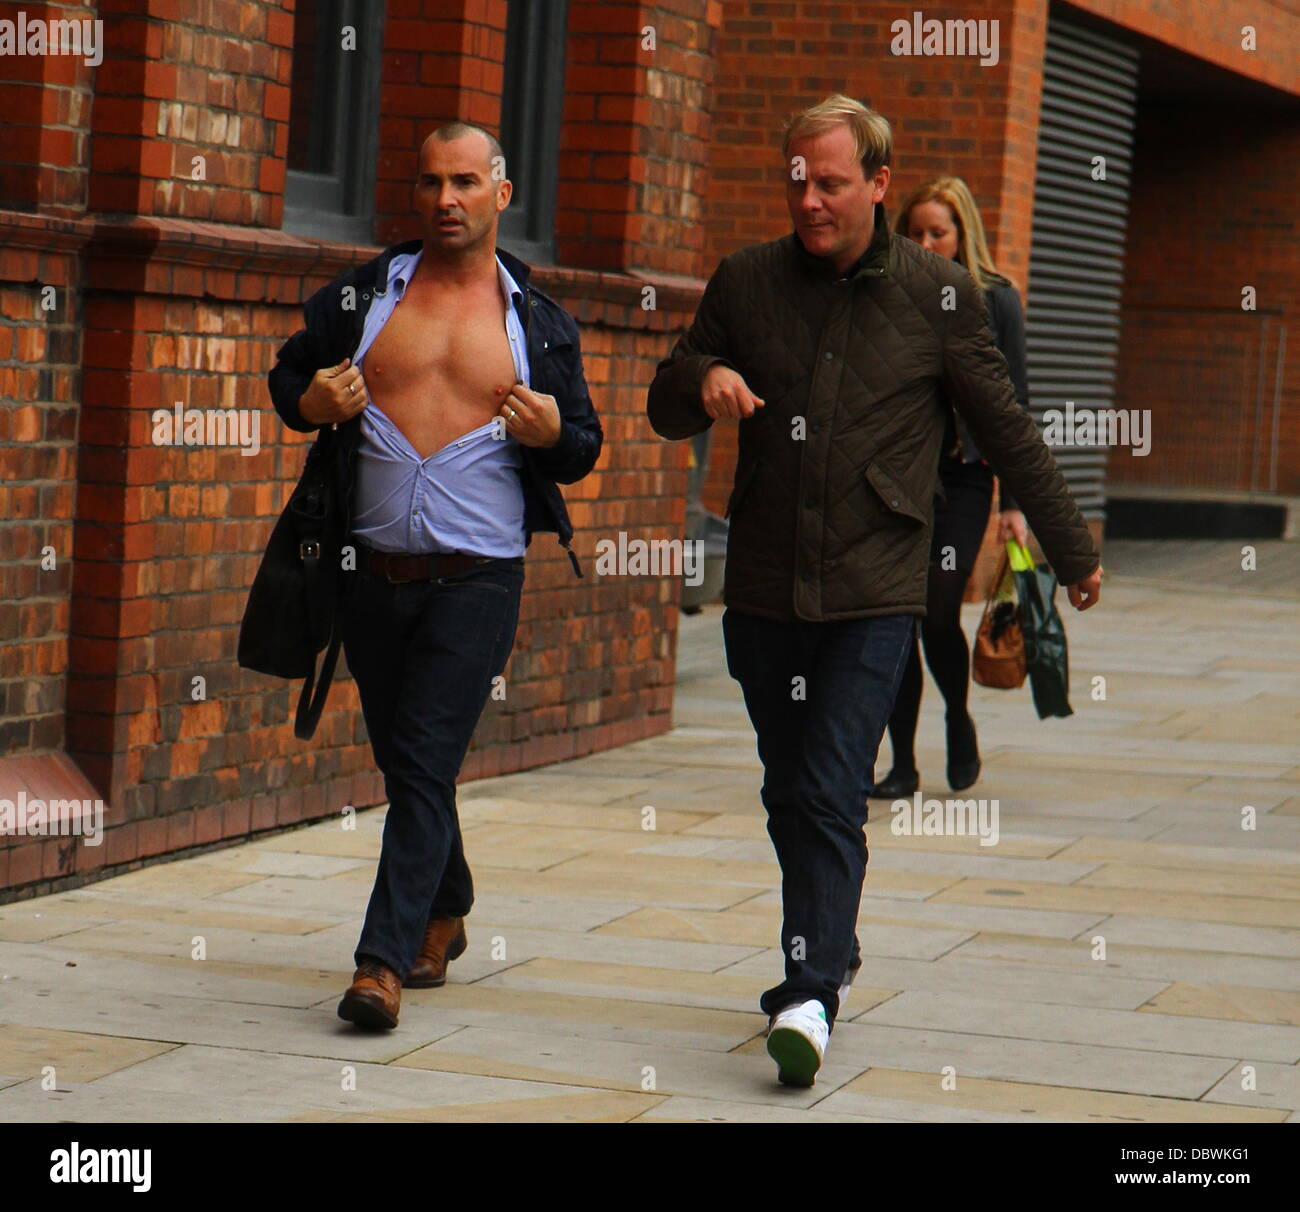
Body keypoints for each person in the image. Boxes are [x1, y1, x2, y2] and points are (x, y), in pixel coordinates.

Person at [647, 95, 1101, 1087]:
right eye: (796, 180)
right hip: (765, 588)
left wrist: (1068, 549)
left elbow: (1006, 427)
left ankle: (808, 990)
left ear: (878, 183)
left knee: (827, 786)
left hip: (876, 587)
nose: (809, 199)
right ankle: (831, 943)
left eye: (831, 182)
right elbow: (662, 396)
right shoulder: (747, 280)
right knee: (785, 787)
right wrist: (705, 379)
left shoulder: (940, 294)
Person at [267, 122, 602, 1030]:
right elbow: (288, 375)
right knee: (410, 763)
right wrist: (309, 402)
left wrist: (549, 437)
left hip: (478, 576)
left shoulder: (536, 321)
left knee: (420, 760)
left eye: (463, 181)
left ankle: (380, 961)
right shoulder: (366, 297)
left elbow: (582, 446)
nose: (445, 199)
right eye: (429, 183)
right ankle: (446, 906)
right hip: (371, 572)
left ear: (500, 193)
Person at [871, 176, 1032, 798]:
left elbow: (1016, 407)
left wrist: (1016, 505)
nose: (926, 242)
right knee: (895, 619)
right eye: (915, 232)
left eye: (938, 232)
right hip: (898, 479)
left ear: (963, 234)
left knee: (938, 609)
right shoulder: (891, 292)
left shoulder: (996, 300)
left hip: (964, 478)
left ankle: (957, 721)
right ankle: (903, 764)